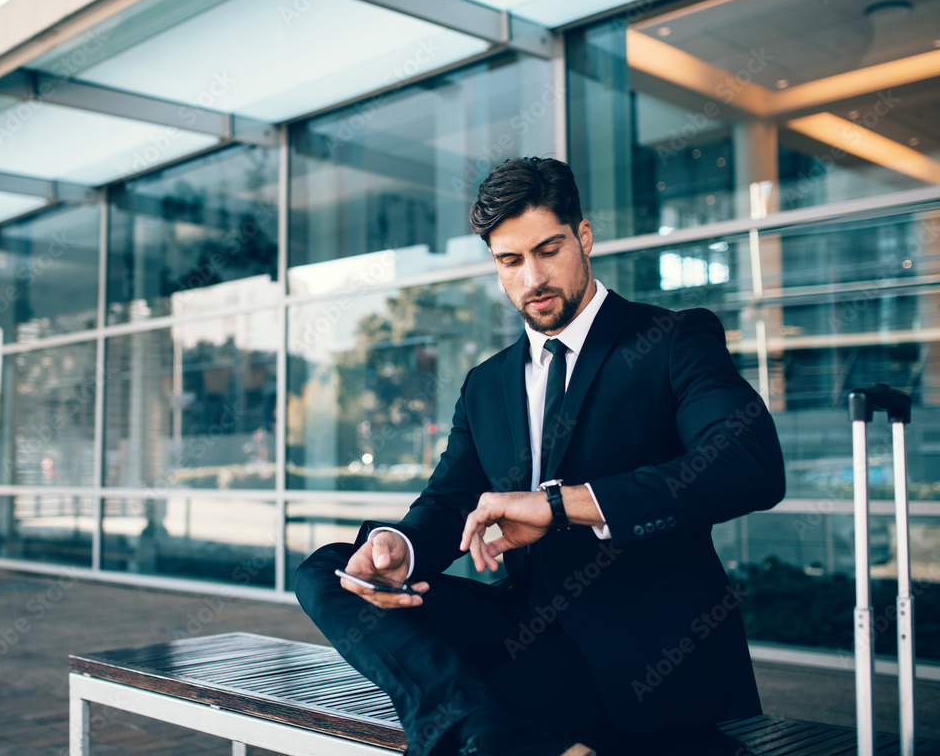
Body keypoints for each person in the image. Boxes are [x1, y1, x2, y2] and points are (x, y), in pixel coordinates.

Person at [295, 157, 785, 756]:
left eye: (548, 250)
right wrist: (406, 547)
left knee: (489, 691)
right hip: (523, 634)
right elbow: (452, 501)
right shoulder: (486, 383)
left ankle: (481, 730)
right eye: (511, 260)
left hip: (647, 652)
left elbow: (748, 462)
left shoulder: (672, 339)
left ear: (583, 237)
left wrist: (560, 505)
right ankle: (486, 733)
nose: (533, 278)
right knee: (332, 569)